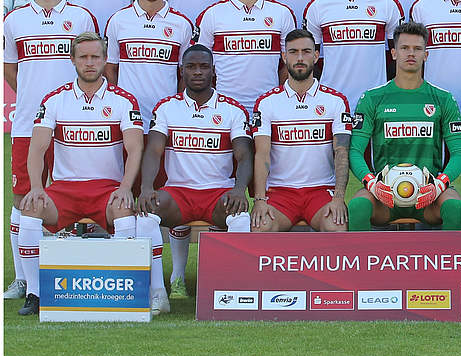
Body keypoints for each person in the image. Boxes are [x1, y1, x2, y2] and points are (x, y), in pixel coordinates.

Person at [15, 33, 146, 316]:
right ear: (72, 60)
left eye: (95, 57)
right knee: (29, 211)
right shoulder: (54, 100)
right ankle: (35, 293)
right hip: (64, 190)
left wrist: (125, 187)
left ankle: (120, 289)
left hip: (106, 190)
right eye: (83, 57)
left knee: (124, 210)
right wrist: (37, 187)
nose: (90, 63)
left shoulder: (123, 100)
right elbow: (37, 149)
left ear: (105, 60)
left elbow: (135, 149)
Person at [2, 0, 98, 300]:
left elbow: (92, 63)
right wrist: (34, 97)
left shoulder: (81, 16)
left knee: (73, 194)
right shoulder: (14, 20)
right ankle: (23, 278)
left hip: (74, 125)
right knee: (22, 198)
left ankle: (72, 269)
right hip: (29, 124)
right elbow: (11, 69)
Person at [137, 45, 252, 302]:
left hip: (217, 193)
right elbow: (154, 151)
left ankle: (231, 291)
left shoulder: (233, 110)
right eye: (191, 67)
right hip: (179, 193)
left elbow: (244, 156)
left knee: (241, 217)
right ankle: (159, 291)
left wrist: (239, 189)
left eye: (203, 67)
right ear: (182, 72)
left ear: (214, 72)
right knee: (145, 215)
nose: (197, 72)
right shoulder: (167, 108)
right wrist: (146, 187)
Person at [346, 22, 461, 231]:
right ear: (393, 53)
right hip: (385, 195)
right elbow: (355, 151)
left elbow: (458, 153)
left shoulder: (443, 99)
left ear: (426, 55)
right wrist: (373, 184)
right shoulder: (372, 98)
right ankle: (363, 263)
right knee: (358, 206)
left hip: (429, 195)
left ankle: (449, 262)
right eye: (404, 48)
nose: (411, 53)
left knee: (455, 206)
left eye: (417, 49)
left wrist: (439, 185)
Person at [249, 29, 351, 232]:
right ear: (284, 56)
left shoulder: (336, 101)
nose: (300, 58)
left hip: (321, 191)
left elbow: (341, 152)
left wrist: (339, 198)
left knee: (336, 227)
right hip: (280, 193)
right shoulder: (267, 103)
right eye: (293, 52)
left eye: (306, 52)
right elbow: (262, 154)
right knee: (261, 227)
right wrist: (260, 200)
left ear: (316, 56)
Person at [302, 0, 404, 111]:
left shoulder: (387, 3)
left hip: (375, 102)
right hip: (331, 104)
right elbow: (311, 60)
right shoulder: (317, 6)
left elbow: (397, 57)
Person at [103, 0, 197, 131]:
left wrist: (175, 108)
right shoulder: (118, 20)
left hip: (165, 120)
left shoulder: (182, 24)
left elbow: (184, 74)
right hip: (128, 121)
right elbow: (110, 68)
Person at [195, 0, 296, 110]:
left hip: (269, 107)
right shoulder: (212, 14)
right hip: (224, 108)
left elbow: (291, 62)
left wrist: (276, 98)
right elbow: (201, 63)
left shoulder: (281, 13)